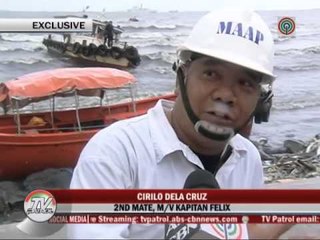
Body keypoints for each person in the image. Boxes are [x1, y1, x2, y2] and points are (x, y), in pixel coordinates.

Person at [69, 10, 294, 239]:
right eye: (211, 73)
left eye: (245, 82)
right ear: (180, 79)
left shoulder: (248, 159)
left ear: (261, 102)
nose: (226, 95)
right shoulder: (115, 153)